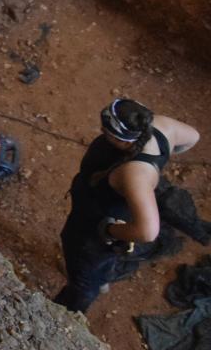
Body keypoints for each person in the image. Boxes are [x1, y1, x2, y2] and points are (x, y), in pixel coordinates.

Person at [53, 99, 200, 313]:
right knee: (98, 262)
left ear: (123, 141)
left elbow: (148, 231)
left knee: (85, 276)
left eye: (107, 132)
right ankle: (99, 279)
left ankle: (68, 309)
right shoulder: (161, 126)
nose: (102, 132)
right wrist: (160, 162)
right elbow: (193, 137)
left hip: (98, 223)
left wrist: (109, 230)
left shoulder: (134, 174)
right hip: (103, 208)